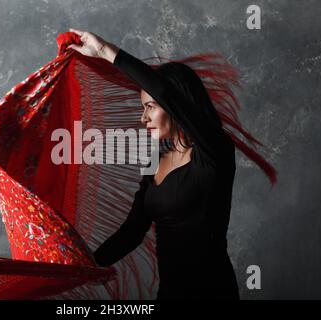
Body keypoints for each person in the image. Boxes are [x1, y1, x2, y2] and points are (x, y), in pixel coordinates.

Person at [68, 28, 240, 300]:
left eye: (150, 106)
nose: (143, 118)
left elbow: (167, 93)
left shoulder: (214, 152)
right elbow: (133, 230)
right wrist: (92, 265)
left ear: (174, 107)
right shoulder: (153, 159)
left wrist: (105, 51)